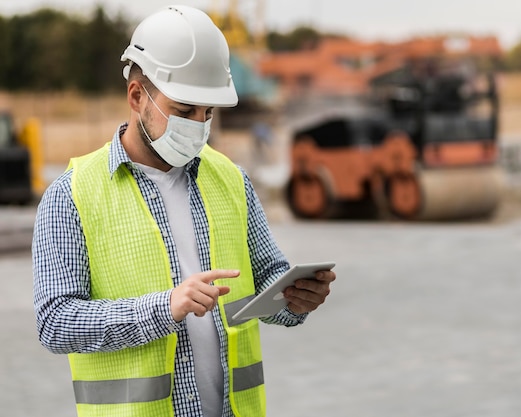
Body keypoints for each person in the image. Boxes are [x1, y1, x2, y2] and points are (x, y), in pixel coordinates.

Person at [32, 5, 335, 417]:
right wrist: (165, 307)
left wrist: (296, 300)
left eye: (207, 113)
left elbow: (267, 278)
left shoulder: (231, 179)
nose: (199, 125)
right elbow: (55, 322)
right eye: (184, 111)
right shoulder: (73, 194)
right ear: (137, 96)